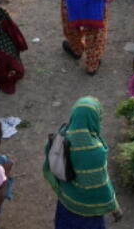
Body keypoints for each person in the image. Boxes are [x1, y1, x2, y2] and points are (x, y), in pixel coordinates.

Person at [45, 96, 122, 228]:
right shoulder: (94, 150)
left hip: (67, 202)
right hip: (88, 212)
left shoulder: (62, 135)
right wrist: (115, 208)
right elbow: (100, 185)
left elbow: (49, 159)